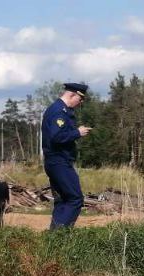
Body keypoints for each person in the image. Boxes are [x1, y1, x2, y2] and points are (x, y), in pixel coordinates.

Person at [41, 82, 91, 229]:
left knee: (62, 200)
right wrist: (77, 133)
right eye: (80, 99)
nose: (80, 103)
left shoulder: (60, 110)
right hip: (59, 161)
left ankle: (53, 238)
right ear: (72, 95)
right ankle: (60, 236)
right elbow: (56, 137)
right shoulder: (58, 111)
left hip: (55, 162)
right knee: (75, 199)